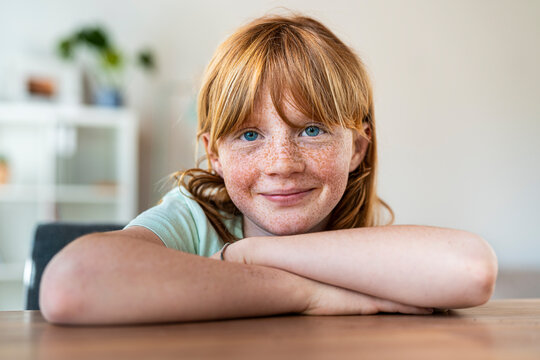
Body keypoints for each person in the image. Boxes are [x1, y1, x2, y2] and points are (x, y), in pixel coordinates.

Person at [40, 13, 498, 325]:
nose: (280, 164)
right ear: (213, 155)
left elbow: (471, 270)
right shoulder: (194, 218)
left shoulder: (346, 228)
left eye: (312, 130)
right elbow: (71, 284)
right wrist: (310, 294)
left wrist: (253, 255)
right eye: (249, 135)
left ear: (357, 148)